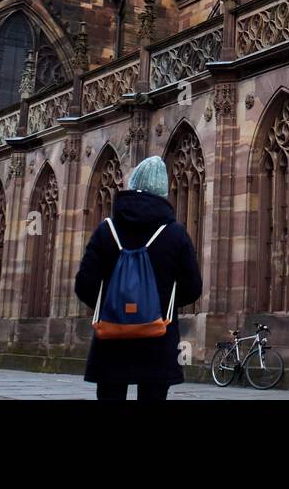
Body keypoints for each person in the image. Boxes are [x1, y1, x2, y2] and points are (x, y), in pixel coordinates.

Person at [74, 156, 202, 401]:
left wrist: (115, 307)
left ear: (132, 185)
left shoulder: (106, 229)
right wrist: (159, 305)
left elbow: (84, 285)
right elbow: (193, 287)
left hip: (111, 337)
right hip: (157, 336)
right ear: (164, 192)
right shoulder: (175, 233)